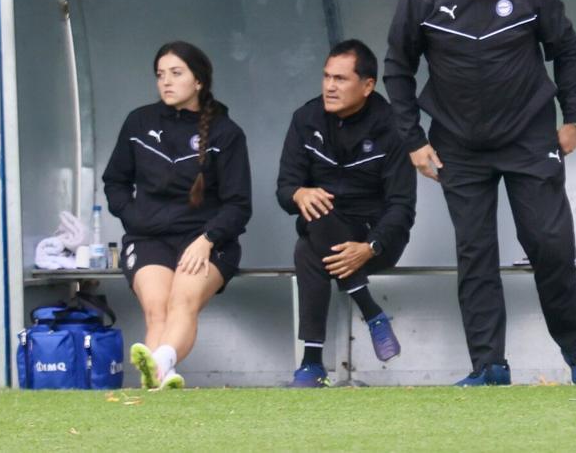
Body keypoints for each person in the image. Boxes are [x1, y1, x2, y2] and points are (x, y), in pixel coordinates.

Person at [383, 0, 576, 386]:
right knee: (476, 252)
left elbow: (566, 51)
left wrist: (575, 117)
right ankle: (489, 366)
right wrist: (413, 140)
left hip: (530, 137)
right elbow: (398, 70)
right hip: (458, 147)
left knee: (550, 244)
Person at [102, 41, 252, 389]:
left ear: (198, 81)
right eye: (160, 75)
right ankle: (161, 376)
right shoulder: (139, 122)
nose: (166, 82)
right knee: (157, 308)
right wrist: (133, 217)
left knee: (182, 300)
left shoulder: (226, 133)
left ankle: (160, 363)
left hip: (208, 241)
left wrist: (207, 240)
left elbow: (239, 205)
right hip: (149, 238)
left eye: (176, 73)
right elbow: (115, 182)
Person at [276, 39, 416, 388]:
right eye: (326, 77)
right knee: (315, 218)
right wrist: (298, 192)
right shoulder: (305, 119)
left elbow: (402, 207)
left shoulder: (392, 127)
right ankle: (370, 310)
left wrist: (370, 247)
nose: (329, 86)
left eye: (340, 79)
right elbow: (284, 188)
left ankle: (311, 364)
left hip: (376, 238)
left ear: (368, 85)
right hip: (324, 229)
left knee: (312, 236)